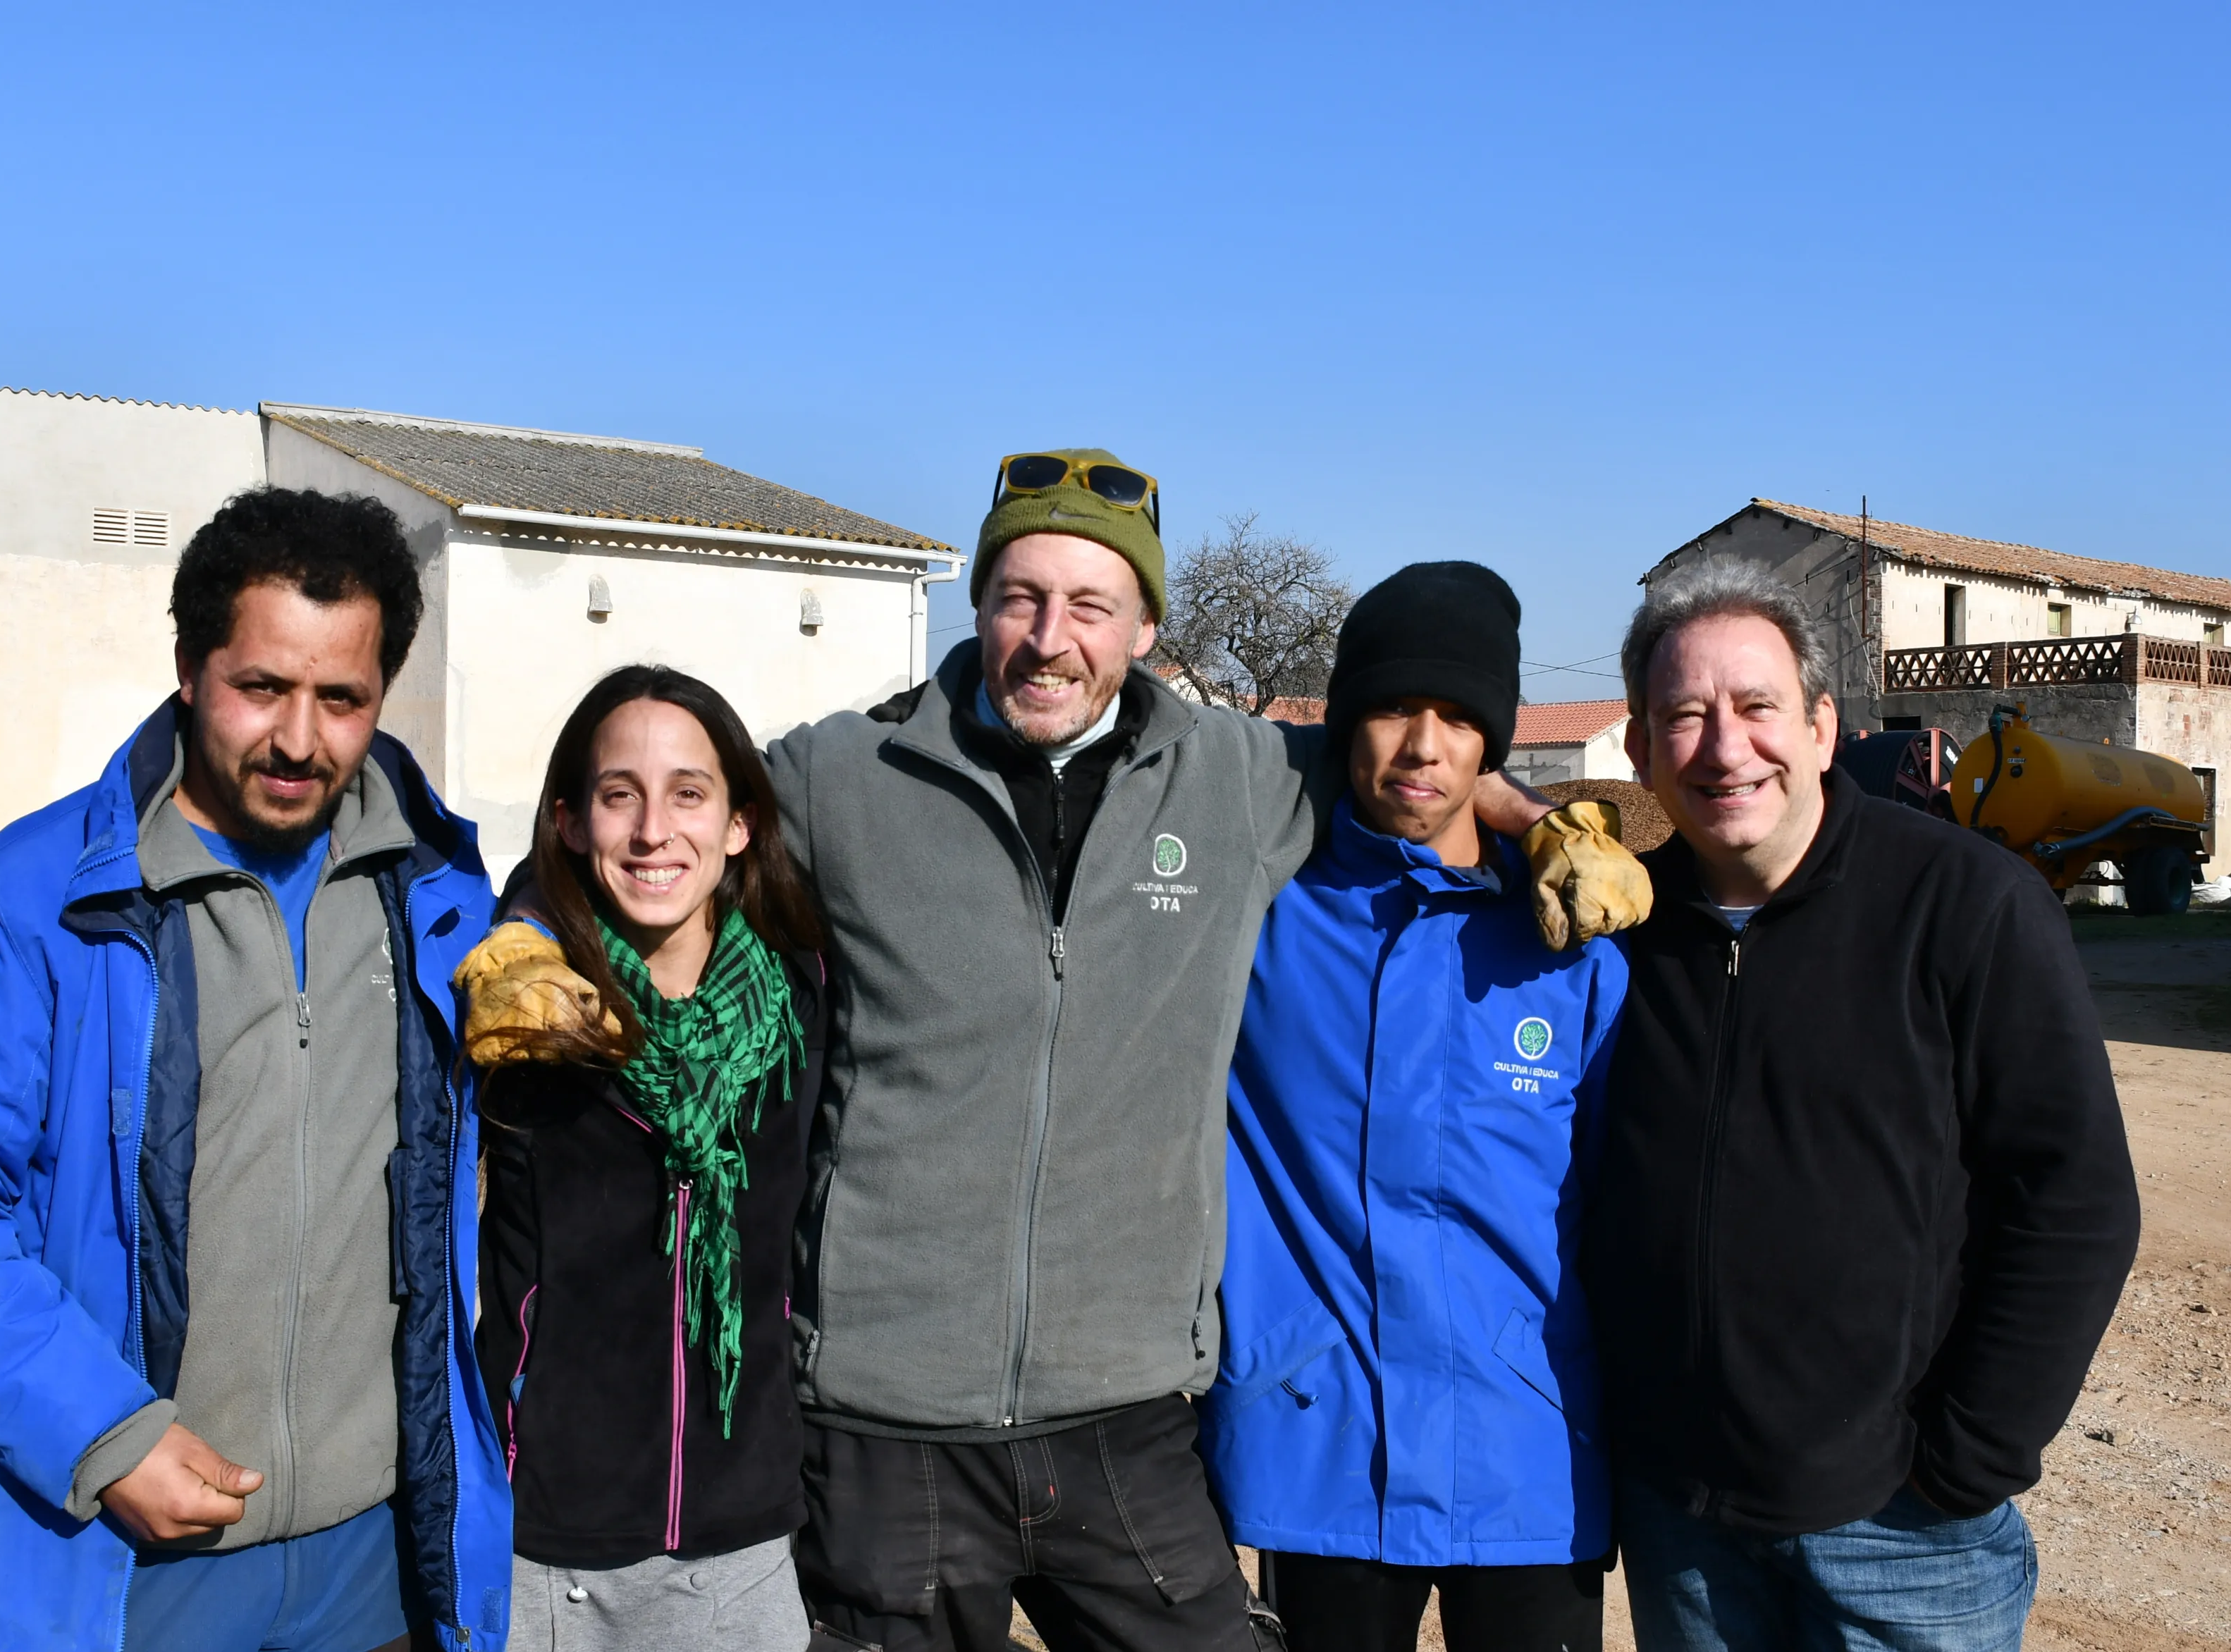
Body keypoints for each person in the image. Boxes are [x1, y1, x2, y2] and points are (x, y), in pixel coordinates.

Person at [461, 449, 1649, 1651]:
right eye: (1019, 598)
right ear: (977, 607)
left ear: (1142, 627)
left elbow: (1415, 764)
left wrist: (1552, 824)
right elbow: (658, 825)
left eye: (1090, 606)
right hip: (886, 1422)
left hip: (1124, 1412)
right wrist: (520, 933)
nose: (1049, 637)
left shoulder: (1238, 780)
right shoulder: (843, 773)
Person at [0, 489, 511, 1652]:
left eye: (341, 699)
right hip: (118, 1567)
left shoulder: (439, 899)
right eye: (262, 689)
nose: (300, 739)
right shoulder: (24, 903)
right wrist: (105, 1435)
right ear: (190, 668)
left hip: (378, 1567)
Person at [1587, 562, 2141, 1652]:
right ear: (1642, 751)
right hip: (1679, 1522)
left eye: (1756, 707)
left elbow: (2072, 1200)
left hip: (1901, 1534)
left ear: (1822, 724)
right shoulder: (1621, 936)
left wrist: (1964, 1459)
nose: (1723, 746)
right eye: (1683, 717)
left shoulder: (1967, 905)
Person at [1199, 562, 1627, 1652]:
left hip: (1529, 1452)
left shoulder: (1569, 951)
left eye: (1458, 717)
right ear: (1343, 724)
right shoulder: (1258, 914)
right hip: (1317, 1442)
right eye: (1390, 708)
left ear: (1494, 738)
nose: (1423, 745)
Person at [463, 665, 827, 1651]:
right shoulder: (525, 1014)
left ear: (740, 823)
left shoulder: (799, 1003)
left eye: (688, 794)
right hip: (548, 1537)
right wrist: (523, 915)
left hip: (742, 1534)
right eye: (618, 795)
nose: (653, 830)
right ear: (572, 821)